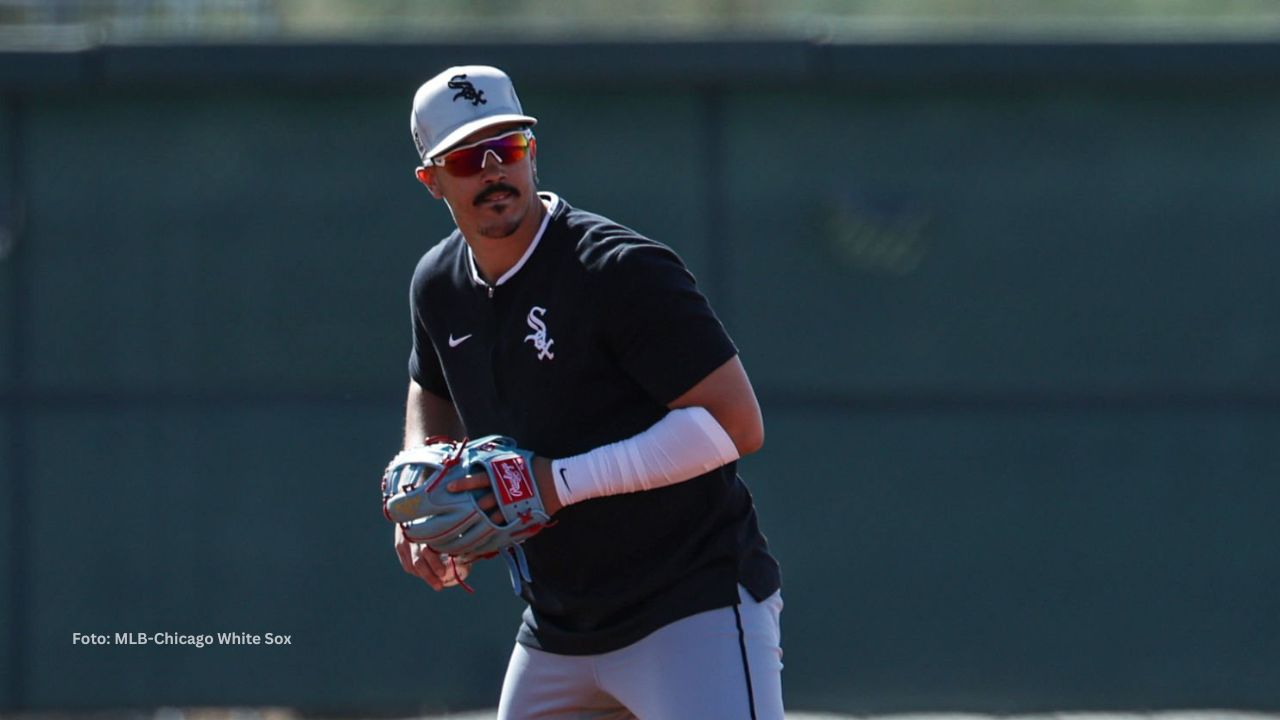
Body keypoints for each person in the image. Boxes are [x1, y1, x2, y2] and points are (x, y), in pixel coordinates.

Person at [393, 64, 784, 719]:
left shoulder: (617, 270)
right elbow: (428, 384)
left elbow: (737, 425)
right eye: (467, 159)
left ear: (532, 152)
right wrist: (423, 476)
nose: (493, 171)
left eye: (507, 148)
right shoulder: (438, 285)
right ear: (432, 181)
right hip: (558, 628)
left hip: (690, 604)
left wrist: (555, 483)